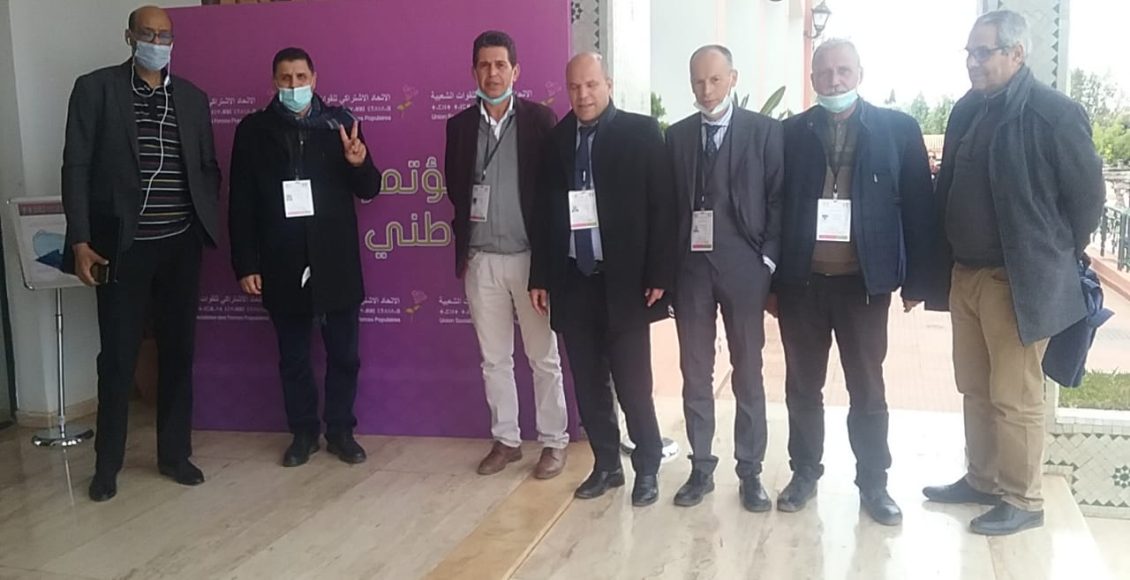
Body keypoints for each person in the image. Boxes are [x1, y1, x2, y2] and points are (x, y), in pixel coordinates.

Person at [923, 10, 1105, 536]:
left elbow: (1087, 199)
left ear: (1016, 54)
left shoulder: (1054, 114)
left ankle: (1023, 498)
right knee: (974, 386)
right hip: (966, 275)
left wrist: (1053, 251)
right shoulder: (967, 109)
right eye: (969, 52)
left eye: (983, 52)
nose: (972, 62)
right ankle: (982, 479)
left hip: (1017, 281)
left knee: (1015, 395)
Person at [772, 39, 936, 525]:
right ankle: (804, 472)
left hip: (864, 285)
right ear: (812, 80)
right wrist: (771, 283)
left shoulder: (896, 130)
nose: (835, 80)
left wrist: (917, 281)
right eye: (825, 73)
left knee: (867, 387)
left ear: (860, 73)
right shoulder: (790, 134)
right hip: (802, 284)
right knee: (802, 386)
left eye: (844, 70)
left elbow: (919, 206)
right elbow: (773, 208)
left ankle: (874, 483)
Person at [62, 5, 221, 502]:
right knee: (117, 357)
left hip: (180, 244)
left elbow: (207, 166)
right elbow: (76, 166)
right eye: (148, 34)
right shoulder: (96, 89)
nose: (157, 42)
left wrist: (203, 214)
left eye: (165, 35)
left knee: (178, 351)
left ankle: (175, 455)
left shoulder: (191, 97)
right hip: (121, 247)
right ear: (129, 37)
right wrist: (81, 240)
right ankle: (106, 465)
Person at [529, 52, 676, 507]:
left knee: (634, 386)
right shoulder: (556, 140)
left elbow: (664, 206)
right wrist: (541, 276)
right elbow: (544, 215)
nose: (583, 95)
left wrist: (659, 271)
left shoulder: (641, 132)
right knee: (589, 386)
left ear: (608, 84)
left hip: (626, 283)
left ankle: (647, 468)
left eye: (591, 85)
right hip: (574, 282)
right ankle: (607, 466)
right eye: (574, 87)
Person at [228, 47, 381, 468]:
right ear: (274, 82)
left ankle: (341, 431)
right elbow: (240, 202)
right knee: (293, 357)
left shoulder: (342, 123)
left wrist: (359, 162)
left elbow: (369, 188)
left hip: (335, 260)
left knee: (344, 356)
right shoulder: (254, 130)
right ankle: (303, 433)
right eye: (285, 78)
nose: (293, 85)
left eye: (300, 77)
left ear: (315, 78)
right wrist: (246, 263)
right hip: (282, 259)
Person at [444, 31, 568, 479]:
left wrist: (547, 267)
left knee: (543, 357)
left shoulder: (539, 120)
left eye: (500, 65)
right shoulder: (459, 126)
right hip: (481, 259)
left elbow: (554, 193)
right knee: (494, 359)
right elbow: (456, 190)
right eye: (484, 65)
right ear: (474, 71)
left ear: (516, 71)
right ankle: (507, 440)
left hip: (530, 259)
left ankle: (554, 441)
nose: (492, 73)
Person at [665, 45, 782, 512]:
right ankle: (701, 468)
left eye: (715, 79)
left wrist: (767, 261)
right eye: (698, 81)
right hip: (691, 270)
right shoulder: (676, 137)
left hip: (745, 267)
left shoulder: (764, 132)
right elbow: (668, 207)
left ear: (733, 78)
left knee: (748, 372)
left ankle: (750, 472)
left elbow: (778, 198)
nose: (706, 90)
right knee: (694, 372)